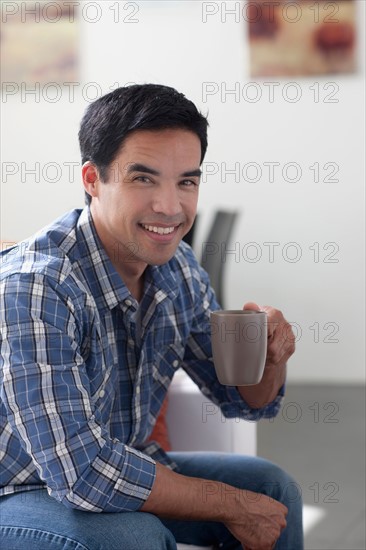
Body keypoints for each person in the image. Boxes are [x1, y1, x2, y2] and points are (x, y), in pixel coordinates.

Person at [0, 84, 303, 550]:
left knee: (272, 488)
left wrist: (271, 358)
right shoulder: (37, 285)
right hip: (19, 489)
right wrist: (227, 503)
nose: (170, 207)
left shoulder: (178, 268)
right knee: (133, 536)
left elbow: (243, 401)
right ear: (92, 179)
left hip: (117, 463)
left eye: (186, 181)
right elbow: (81, 473)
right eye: (144, 179)